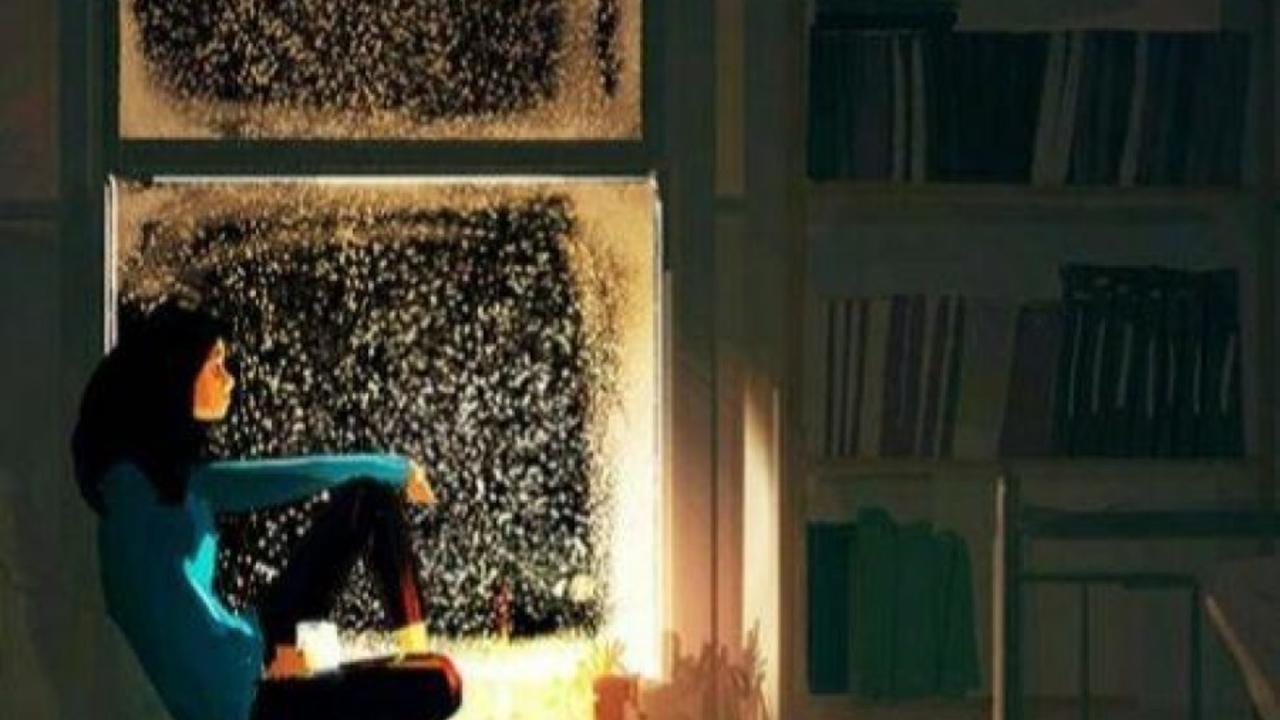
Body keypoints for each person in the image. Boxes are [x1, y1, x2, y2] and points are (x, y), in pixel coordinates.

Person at [71, 298, 462, 720]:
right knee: (442, 683)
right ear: (176, 376)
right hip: (246, 700)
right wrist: (398, 468)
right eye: (215, 365)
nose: (229, 379)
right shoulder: (142, 490)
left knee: (370, 497)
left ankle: (414, 649)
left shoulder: (153, 480)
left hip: (250, 651)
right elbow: (290, 477)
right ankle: (417, 659)